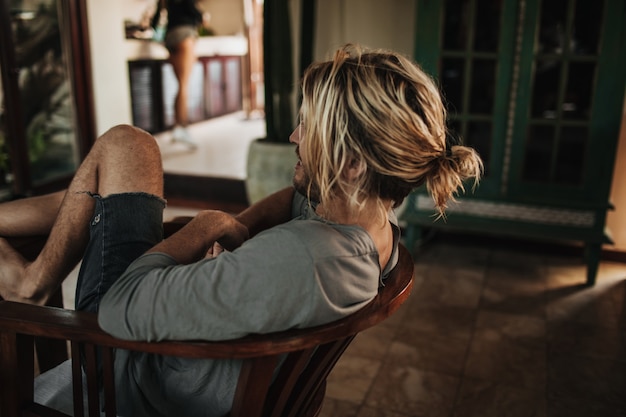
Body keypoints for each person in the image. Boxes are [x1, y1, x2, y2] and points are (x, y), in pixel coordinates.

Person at [0, 44, 483, 416]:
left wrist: (209, 224)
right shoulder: (370, 221)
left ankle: (30, 283)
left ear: (352, 164)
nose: (294, 136)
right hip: (169, 348)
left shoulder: (302, 261)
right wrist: (241, 226)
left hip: (128, 370)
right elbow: (292, 200)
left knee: (127, 145)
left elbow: (120, 309)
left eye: (307, 127)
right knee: (118, 174)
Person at [152, 0, 204, 148]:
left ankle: (177, 127)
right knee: (184, 85)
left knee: (180, 84)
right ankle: (183, 128)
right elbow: (196, 14)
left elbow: (155, 21)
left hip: (170, 37)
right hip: (185, 36)